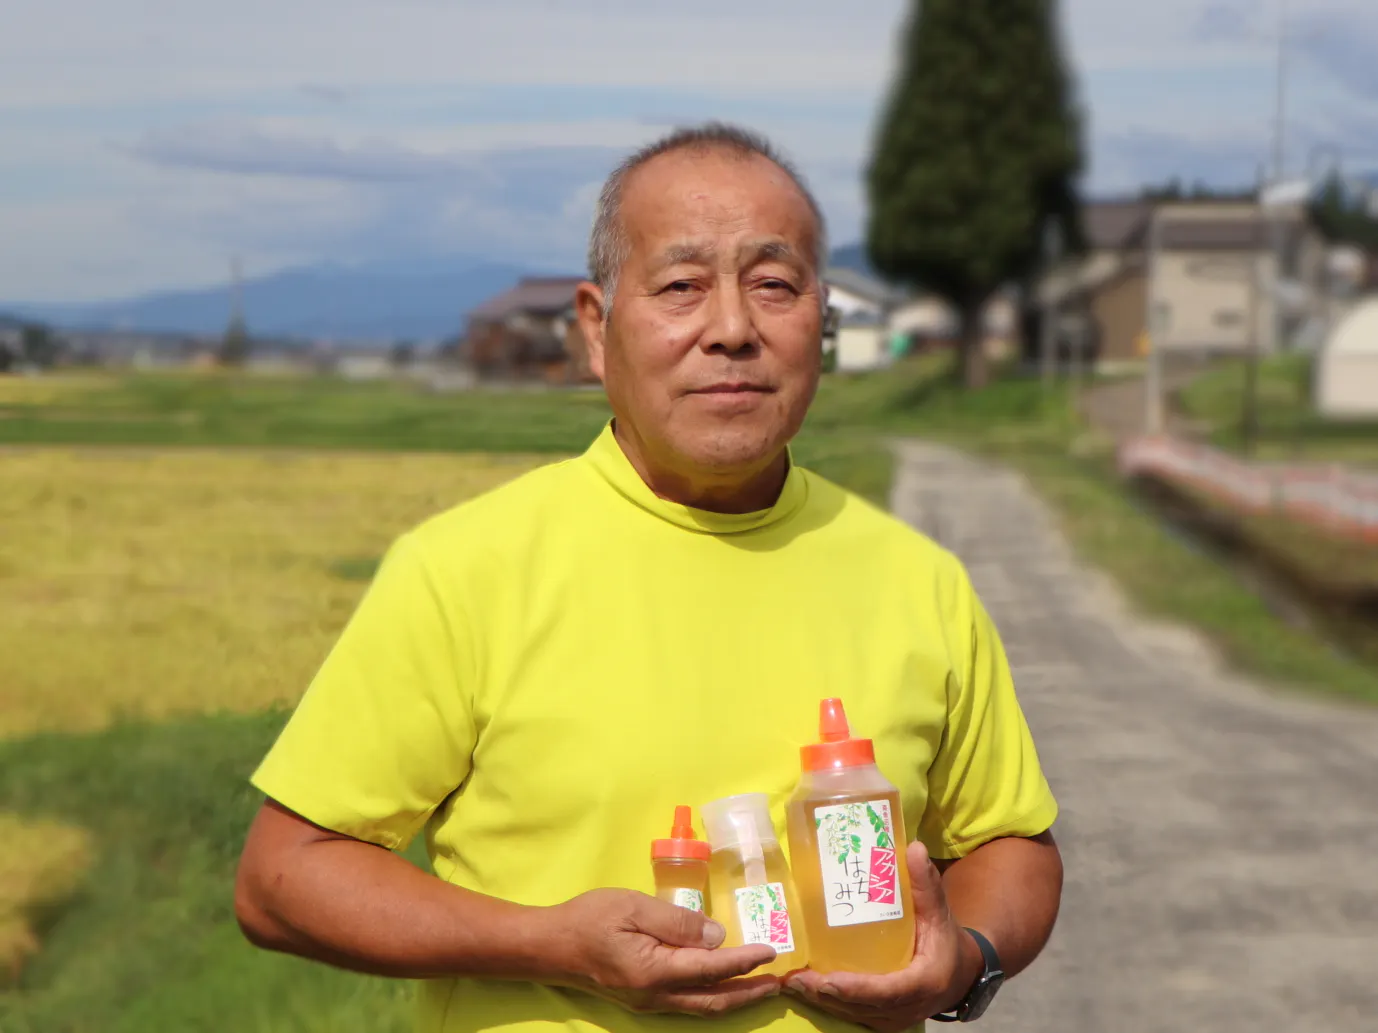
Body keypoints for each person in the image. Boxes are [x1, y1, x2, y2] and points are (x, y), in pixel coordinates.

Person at [235, 123, 1063, 1033]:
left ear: (819, 322)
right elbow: (283, 877)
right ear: (597, 329)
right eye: (680, 287)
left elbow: (1010, 842)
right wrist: (553, 944)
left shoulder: (916, 578)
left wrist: (965, 959)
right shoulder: (466, 570)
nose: (733, 330)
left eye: (774, 285)